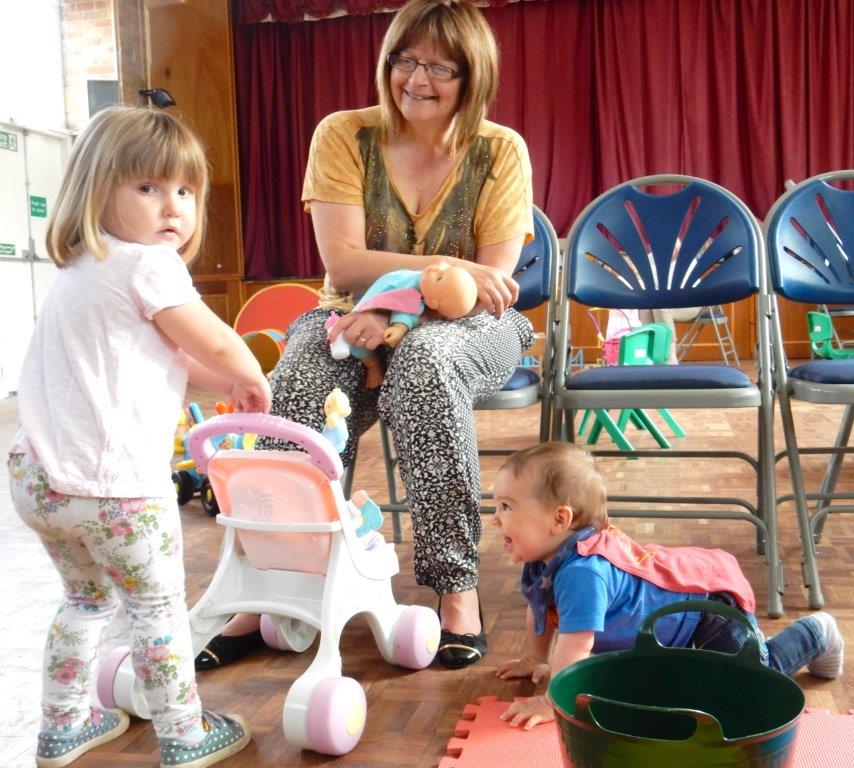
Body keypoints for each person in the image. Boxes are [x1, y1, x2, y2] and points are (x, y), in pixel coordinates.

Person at [195, 0, 534, 672]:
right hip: (347, 316)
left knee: (427, 366)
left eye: (440, 66)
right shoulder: (343, 135)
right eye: (405, 58)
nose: (417, 78)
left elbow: (485, 290)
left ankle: (455, 588)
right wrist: (420, 285)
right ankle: (272, 583)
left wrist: (404, 311)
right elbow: (344, 265)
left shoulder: (500, 150)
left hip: (470, 328)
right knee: (302, 371)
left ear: (474, 77)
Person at [6, 106, 270, 768]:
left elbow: (172, 363)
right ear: (98, 190)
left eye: (184, 191)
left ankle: (62, 725)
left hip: (39, 477)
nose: (171, 207)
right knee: (157, 611)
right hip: (118, 491)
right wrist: (250, 373)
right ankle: (183, 735)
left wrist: (222, 385)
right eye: (147, 188)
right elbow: (212, 339)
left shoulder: (80, 272)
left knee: (84, 600)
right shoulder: (149, 267)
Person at [493, 443, 845, 729]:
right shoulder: (544, 558)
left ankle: (815, 633)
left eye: (506, 506)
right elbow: (539, 607)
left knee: (748, 688)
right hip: (676, 613)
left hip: (711, 609)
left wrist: (550, 700)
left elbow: (576, 644)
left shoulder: (582, 573)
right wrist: (537, 658)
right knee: (689, 686)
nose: (495, 517)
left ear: (559, 519)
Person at [326, 263, 478, 387]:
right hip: (362, 305)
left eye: (438, 278)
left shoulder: (416, 297)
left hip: (366, 316)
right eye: (446, 268)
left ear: (432, 302)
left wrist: (399, 328)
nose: (436, 268)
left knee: (357, 342)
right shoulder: (418, 281)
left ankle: (373, 366)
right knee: (354, 330)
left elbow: (405, 311)